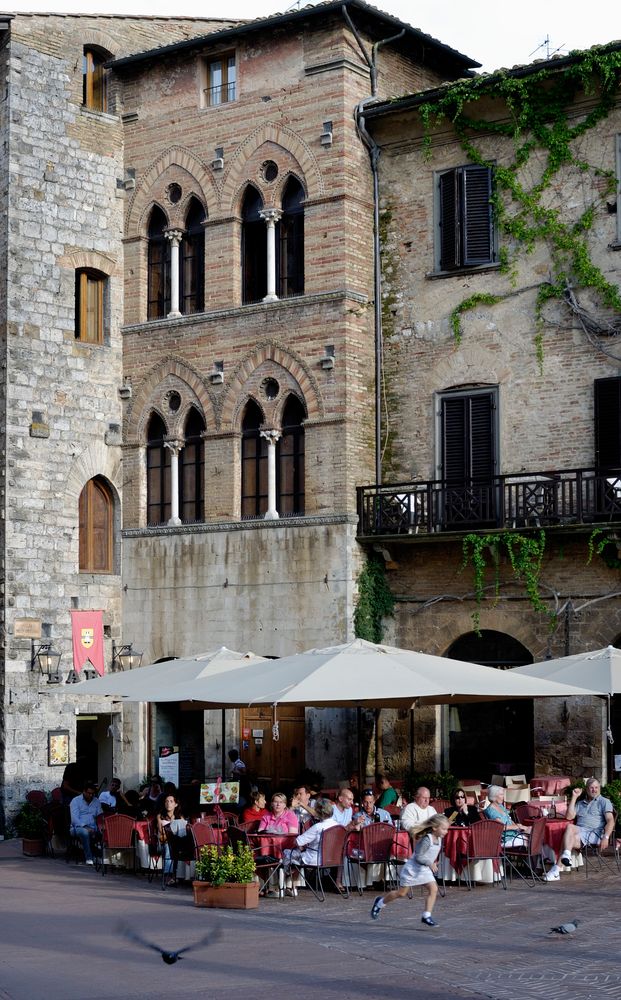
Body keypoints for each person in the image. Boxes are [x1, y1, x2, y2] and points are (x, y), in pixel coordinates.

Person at [370, 813, 450, 926]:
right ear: (434, 828)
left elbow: (429, 855)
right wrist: (430, 863)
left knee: (433, 889)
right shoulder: (427, 839)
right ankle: (380, 903)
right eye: (444, 829)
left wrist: (433, 862)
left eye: (446, 829)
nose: (446, 831)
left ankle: (426, 915)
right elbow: (419, 856)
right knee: (401, 893)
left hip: (424, 870)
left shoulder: (439, 839)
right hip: (413, 869)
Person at [544, 777, 615, 881]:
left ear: (599, 788)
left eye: (596, 787)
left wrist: (606, 837)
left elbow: (610, 820)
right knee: (569, 832)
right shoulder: (580, 803)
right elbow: (569, 817)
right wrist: (574, 797)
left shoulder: (604, 801)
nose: (594, 790)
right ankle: (561, 864)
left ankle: (557, 868)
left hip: (594, 834)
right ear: (587, 789)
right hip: (580, 832)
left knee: (568, 832)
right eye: (591, 788)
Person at [283, 798, 337, 891]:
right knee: (295, 857)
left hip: (315, 859)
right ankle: (291, 887)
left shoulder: (318, 827)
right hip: (333, 859)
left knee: (287, 853)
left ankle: (287, 886)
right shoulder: (337, 825)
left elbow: (298, 841)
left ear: (319, 812)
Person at [157, 793, 188, 886]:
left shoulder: (180, 817)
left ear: (176, 804)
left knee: (184, 848)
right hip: (163, 842)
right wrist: (171, 823)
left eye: (171, 801)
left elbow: (183, 832)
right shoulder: (160, 816)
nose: (168, 803)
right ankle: (169, 875)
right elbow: (161, 831)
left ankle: (181, 876)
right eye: (166, 801)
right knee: (168, 848)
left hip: (177, 842)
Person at [69, 781, 102, 865]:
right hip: (78, 827)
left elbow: (99, 816)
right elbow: (74, 819)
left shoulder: (96, 801)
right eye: (89, 793)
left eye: (92, 794)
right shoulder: (75, 801)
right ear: (84, 791)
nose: (91, 795)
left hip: (93, 827)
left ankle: (101, 857)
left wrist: (101, 825)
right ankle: (89, 858)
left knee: (104, 831)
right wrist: (85, 826)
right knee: (85, 832)